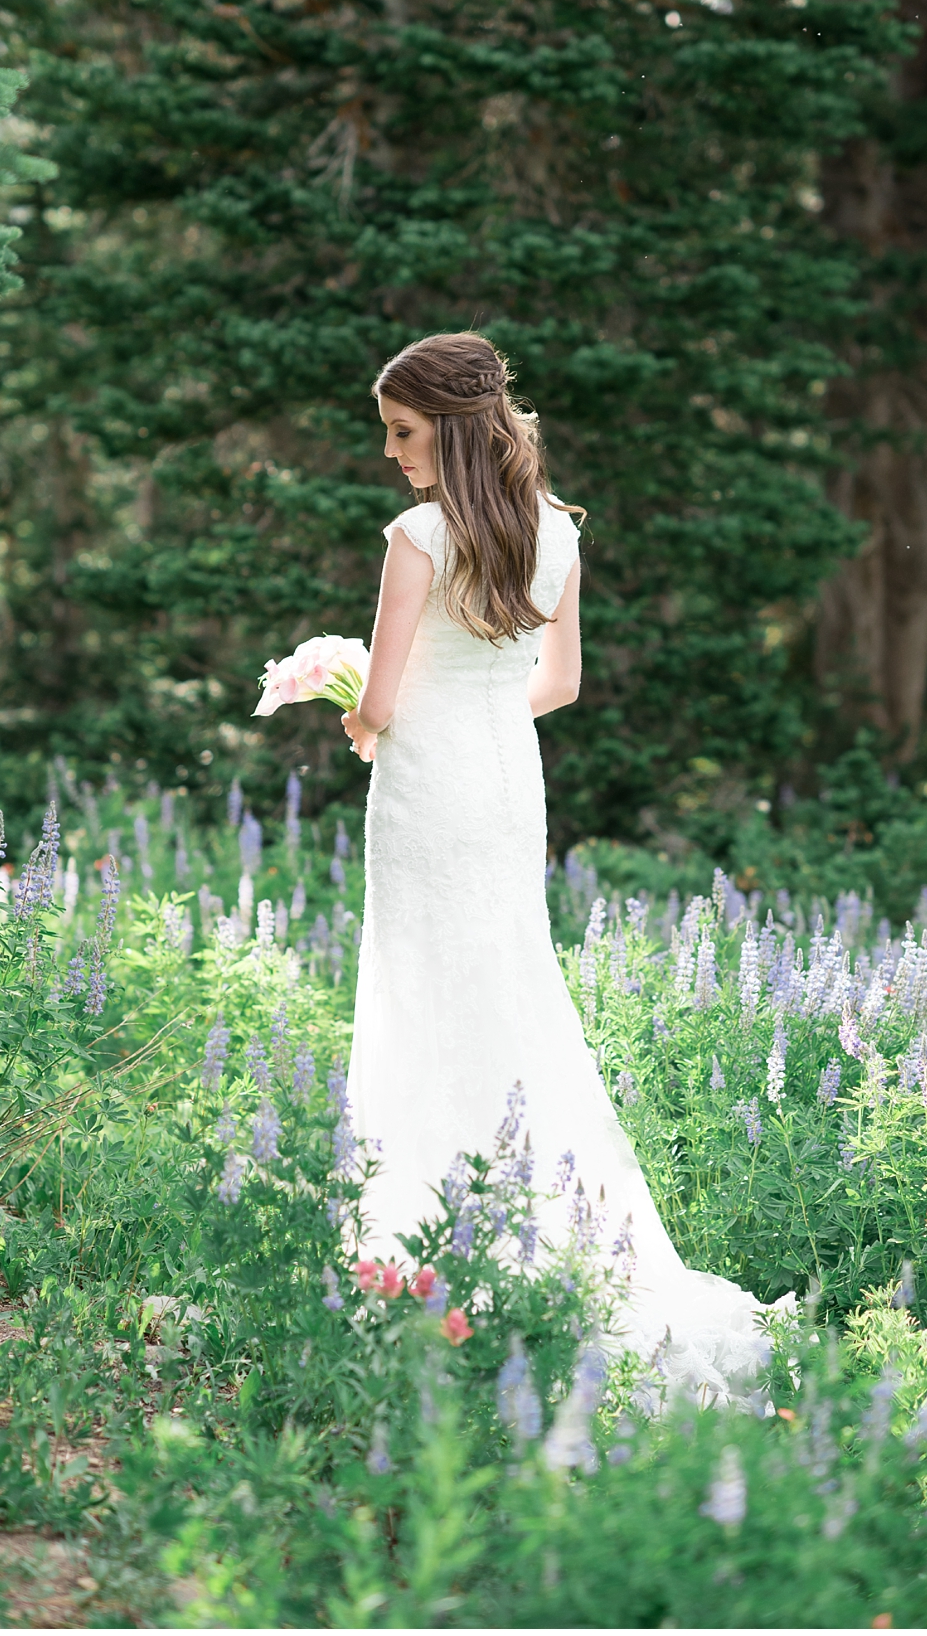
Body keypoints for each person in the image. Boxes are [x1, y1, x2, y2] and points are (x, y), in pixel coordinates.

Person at [340, 332, 783, 1403]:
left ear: (446, 425)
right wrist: (477, 703)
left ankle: (413, 1244)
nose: (392, 452)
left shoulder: (414, 536)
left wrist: (350, 710)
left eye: (401, 431)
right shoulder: (554, 532)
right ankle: (553, 1235)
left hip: (432, 791)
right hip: (506, 785)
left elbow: (385, 700)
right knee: (512, 993)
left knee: (423, 993)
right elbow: (560, 681)